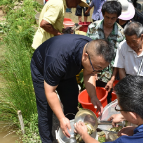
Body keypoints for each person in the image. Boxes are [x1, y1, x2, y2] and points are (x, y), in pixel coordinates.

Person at [30, 34, 115, 142]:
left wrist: (93, 96)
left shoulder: (92, 50)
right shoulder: (57, 59)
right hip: (42, 69)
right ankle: (47, 140)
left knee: (71, 99)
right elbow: (50, 92)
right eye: (97, 68)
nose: (97, 72)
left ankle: (73, 132)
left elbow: (89, 73)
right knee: (45, 109)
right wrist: (60, 118)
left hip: (67, 68)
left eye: (101, 69)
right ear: (85, 56)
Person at [74, 75, 143, 143]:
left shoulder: (124, 141)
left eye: (120, 110)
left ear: (133, 116)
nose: (120, 113)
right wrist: (126, 119)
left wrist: (84, 134)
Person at [86, 0, 125, 103]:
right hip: (91, 73)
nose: (109, 21)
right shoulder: (92, 28)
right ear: (102, 14)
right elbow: (87, 52)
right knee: (92, 99)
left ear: (117, 17)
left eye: (113, 18)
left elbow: (118, 59)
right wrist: (91, 72)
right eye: (107, 17)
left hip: (109, 76)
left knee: (107, 101)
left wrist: (112, 79)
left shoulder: (121, 34)